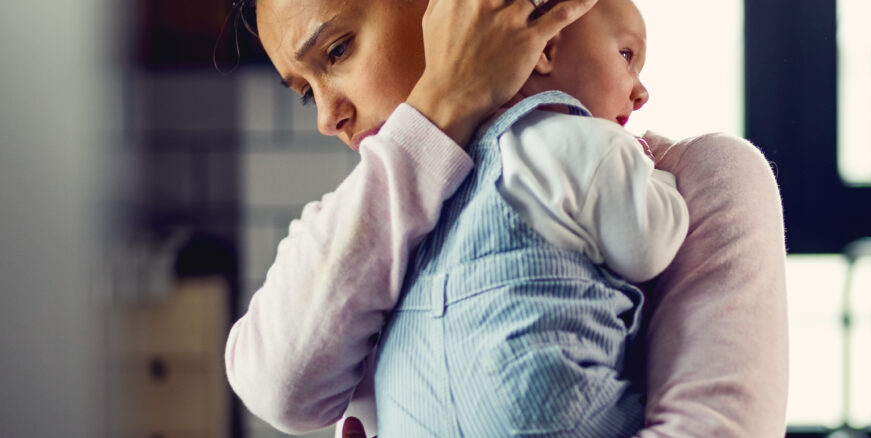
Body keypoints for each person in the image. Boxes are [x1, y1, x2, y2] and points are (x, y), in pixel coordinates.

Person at [224, 0, 789, 436]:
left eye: (338, 51)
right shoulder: (356, 222)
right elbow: (282, 389)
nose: (328, 117)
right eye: (305, 93)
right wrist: (438, 110)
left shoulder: (693, 179)